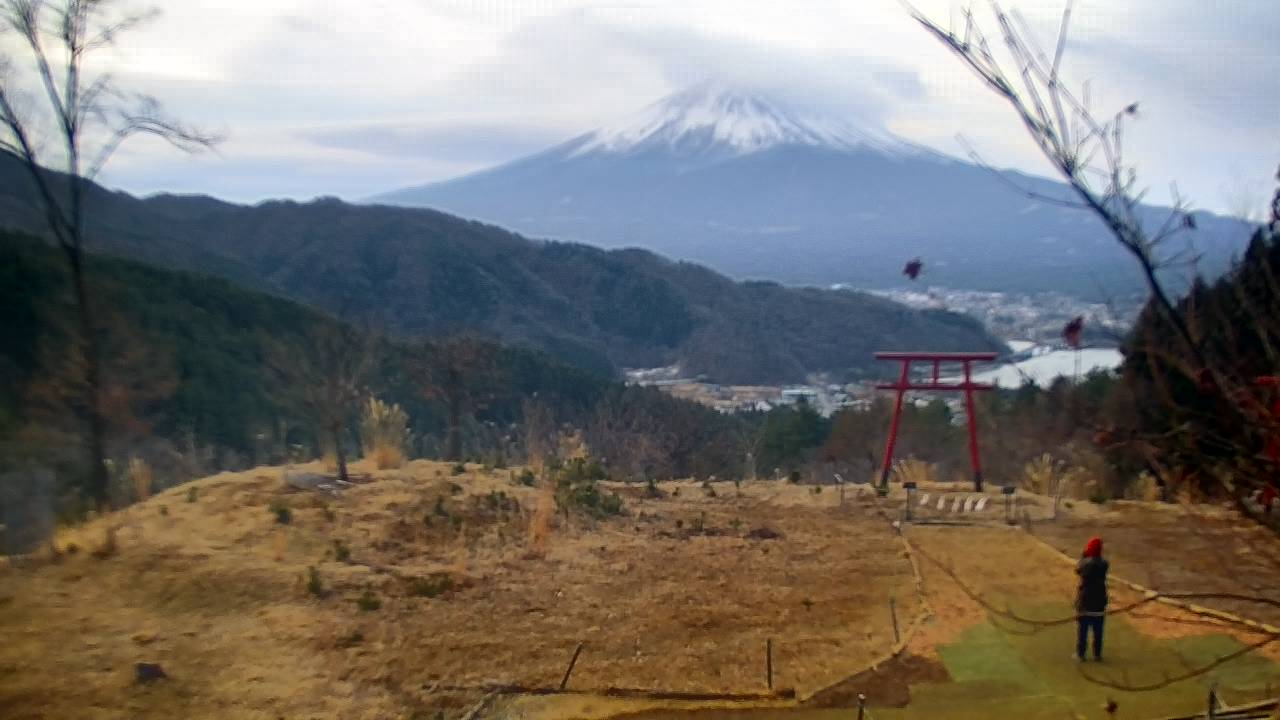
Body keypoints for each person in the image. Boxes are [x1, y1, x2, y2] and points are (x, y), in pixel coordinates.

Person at [1075, 536, 1109, 661]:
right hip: (1100, 601)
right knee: (1098, 631)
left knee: (1083, 631)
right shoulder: (1104, 564)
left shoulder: (1086, 564)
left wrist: (1083, 557)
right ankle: (1097, 654)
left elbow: (1078, 570)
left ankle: (1081, 654)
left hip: (1086, 601)